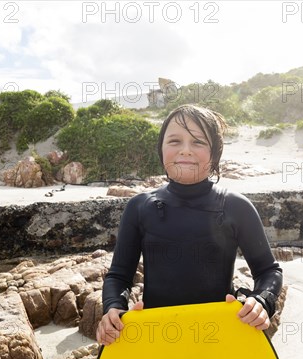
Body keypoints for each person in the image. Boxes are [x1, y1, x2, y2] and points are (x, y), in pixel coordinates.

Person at [96, 104, 283, 345]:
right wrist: (113, 307)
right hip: (158, 335)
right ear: (161, 149)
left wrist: (261, 300)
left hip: (219, 336)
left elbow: (269, 271)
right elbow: (119, 276)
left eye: (198, 142)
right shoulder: (140, 207)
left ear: (215, 153)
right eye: (174, 141)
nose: (186, 151)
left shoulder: (236, 206)